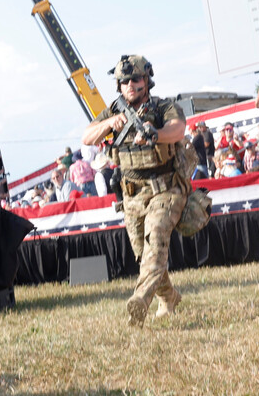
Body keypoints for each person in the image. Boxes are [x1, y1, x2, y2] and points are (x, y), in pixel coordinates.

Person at [81, 54, 188, 327]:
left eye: (136, 79)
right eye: (124, 80)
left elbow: (178, 129)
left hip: (165, 189)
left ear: (146, 81)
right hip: (132, 195)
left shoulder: (163, 107)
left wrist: (156, 133)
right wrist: (108, 123)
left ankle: (140, 300)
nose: (130, 84)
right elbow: (86, 136)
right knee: (144, 254)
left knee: (156, 242)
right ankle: (170, 297)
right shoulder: (114, 111)